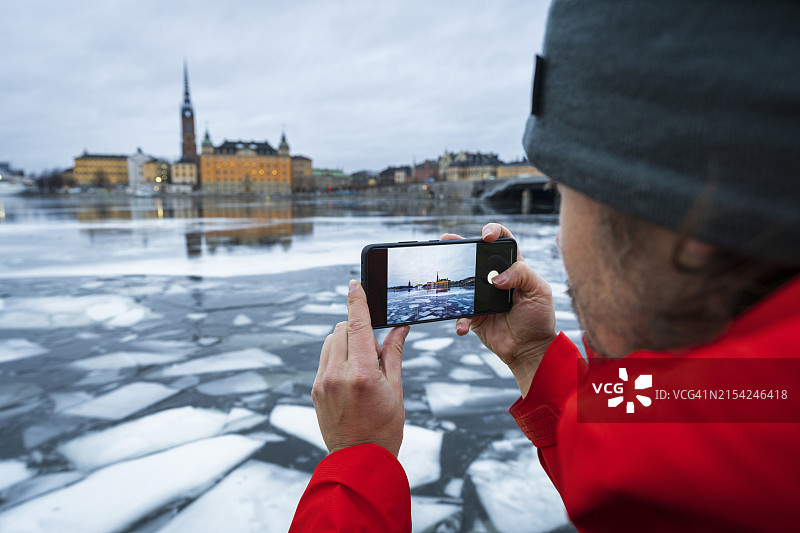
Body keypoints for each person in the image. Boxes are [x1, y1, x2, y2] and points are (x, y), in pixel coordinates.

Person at [290, 0, 800, 531]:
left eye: (563, 194)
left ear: (691, 217)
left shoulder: (702, 488)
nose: (557, 235)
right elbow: (644, 446)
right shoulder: (745, 445)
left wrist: (358, 461)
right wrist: (535, 356)